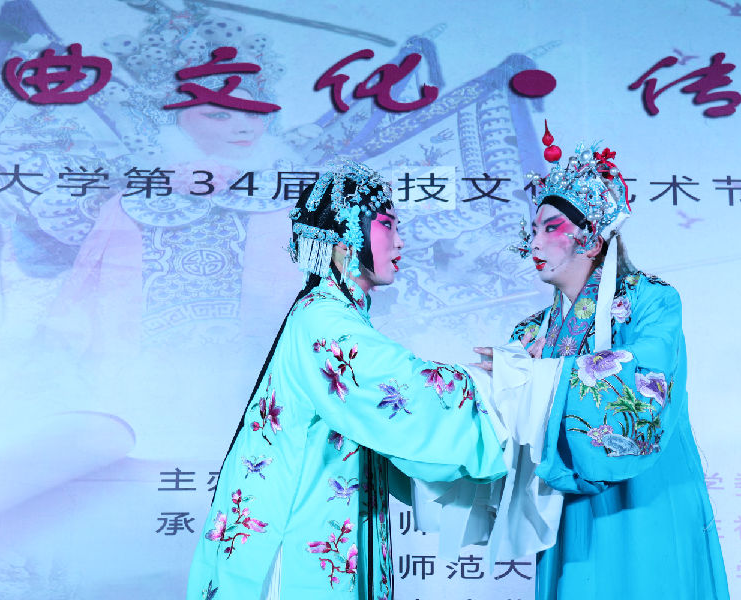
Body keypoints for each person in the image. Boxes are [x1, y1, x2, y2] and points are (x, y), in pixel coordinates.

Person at [186, 160, 507, 599]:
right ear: (344, 240)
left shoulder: (332, 312)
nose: (400, 241)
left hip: (314, 508)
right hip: (295, 521)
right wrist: (491, 384)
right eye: (387, 225)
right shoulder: (323, 319)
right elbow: (401, 385)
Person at [479, 132, 729, 599]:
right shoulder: (531, 333)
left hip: (648, 491)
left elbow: (648, 381)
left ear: (591, 237)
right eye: (532, 231)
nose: (535, 242)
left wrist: (543, 376)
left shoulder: (652, 302)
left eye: (550, 228)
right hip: (570, 498)